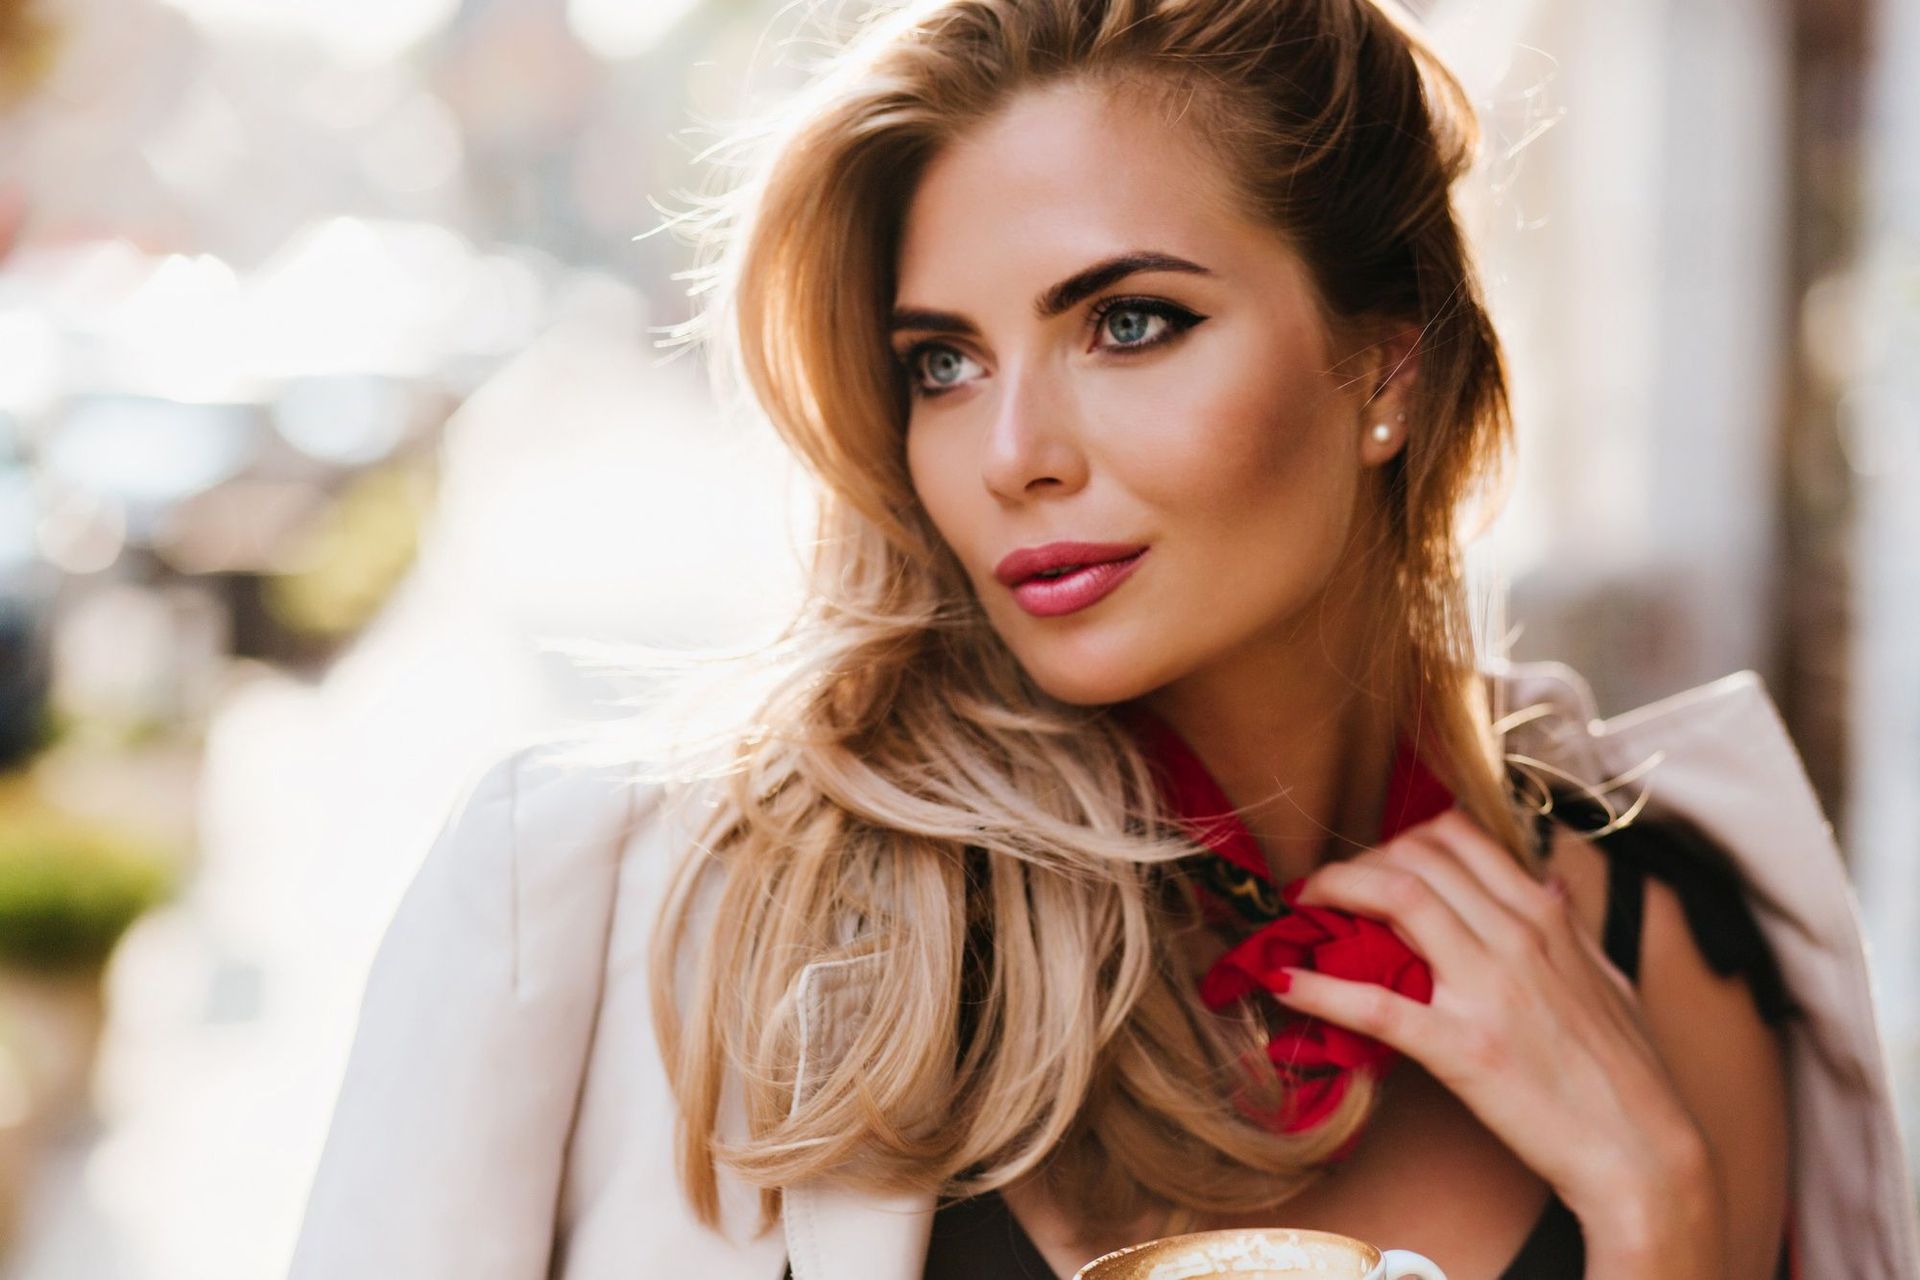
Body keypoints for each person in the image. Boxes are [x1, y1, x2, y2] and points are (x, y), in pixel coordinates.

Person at [286, 2, 1918, 1277]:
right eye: (942, 362)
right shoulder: (626, 919)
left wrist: (1657, 1216)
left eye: (1128, 322)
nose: (1012, 453)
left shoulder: (1664, 940)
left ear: (1389, 369)